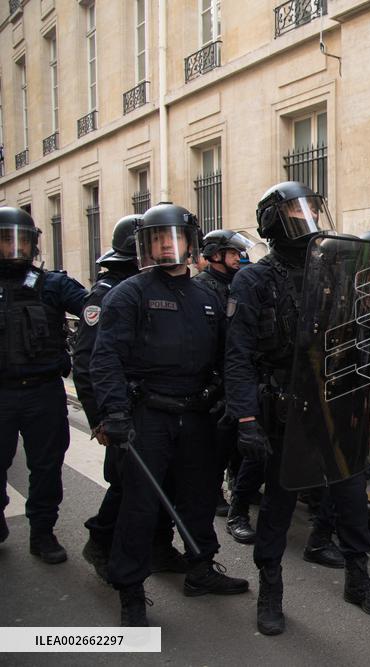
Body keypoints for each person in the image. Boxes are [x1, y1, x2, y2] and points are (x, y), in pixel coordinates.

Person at [226, 181, 370, 635]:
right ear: (273, 225)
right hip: (283, 411)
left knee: (351, 499)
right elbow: (238, 355)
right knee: (278, 506)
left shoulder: (334, 272)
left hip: (334, 404)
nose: (307, 221)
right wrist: (246, 419)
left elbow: (358, 336)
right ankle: (271, 590)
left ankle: (358, 579)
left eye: (310, 211)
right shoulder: (253, 280)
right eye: (295, 214)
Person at [90, 203, 249, 626]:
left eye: (173, 237)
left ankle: (201, 569)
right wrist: (115, 413)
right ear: (146, 245)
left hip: (197, 415)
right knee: (140, 506)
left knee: (198, 498)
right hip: (149, 415)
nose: (166, 245)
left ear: (190, 242)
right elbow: (104, 358)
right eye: (157, 239)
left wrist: (226, 396)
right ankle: (130, 591)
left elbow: (227, 354)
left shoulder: (207, 295)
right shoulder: (130, 293)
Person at [77, 216, 186, 580]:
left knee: (160, 483)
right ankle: (102, 541)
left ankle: (157, 547)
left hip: (156, 409)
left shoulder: (164, 287)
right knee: (127, 486)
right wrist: (103, 418)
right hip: (124, 409)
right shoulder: (112, 293)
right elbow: (90, 362)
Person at [0, 206, 86, 559]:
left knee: (47, 467)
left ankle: (43, 532)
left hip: (44, 392)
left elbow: (98, 310)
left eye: (22, 240)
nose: (15, 248)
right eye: (6, 240)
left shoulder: (52, 284)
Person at [192, 229, 264, 527]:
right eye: (233, 253)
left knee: (241, 441)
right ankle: (212, 494)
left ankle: (238, 485)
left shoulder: (241, 283)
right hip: (214, 377)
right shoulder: (200, 288)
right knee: (217, 443)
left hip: (240, 371)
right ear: (216, 255)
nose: (239, 258)